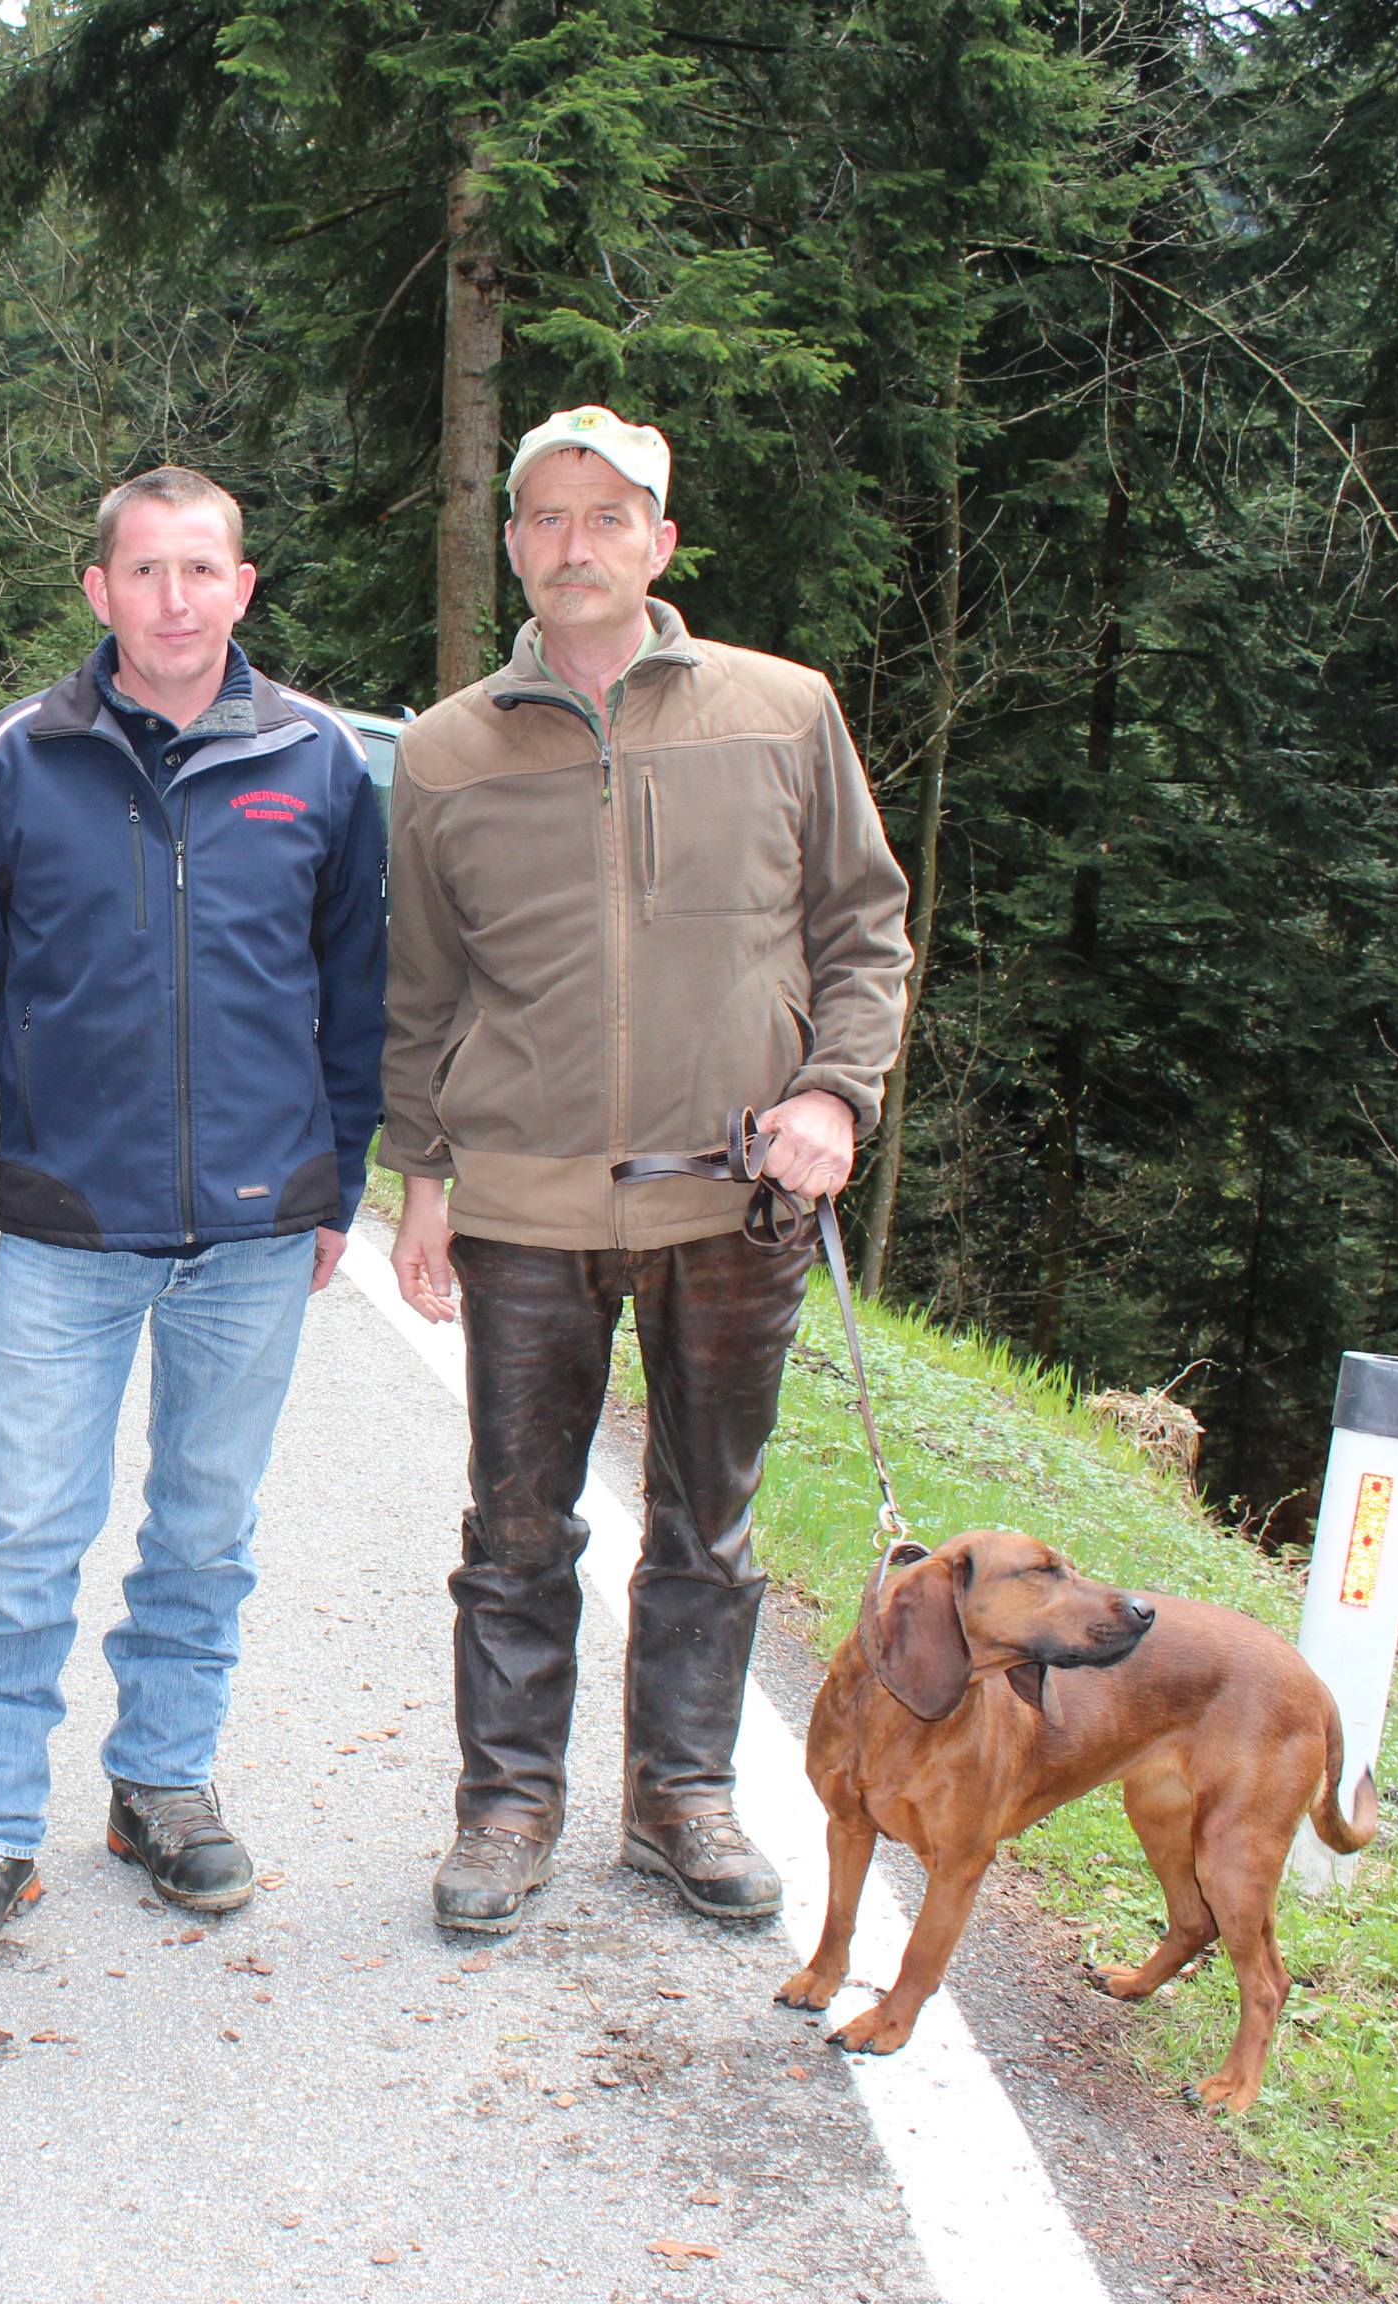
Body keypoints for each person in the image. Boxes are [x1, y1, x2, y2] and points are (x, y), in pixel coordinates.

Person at [382, 406, 912, 1934]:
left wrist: (835, 1096)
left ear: (660, 543)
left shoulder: (784, 712)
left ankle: (682, 1797)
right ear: (512, 546)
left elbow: (863, 928)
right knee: (516, 1527)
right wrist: (423, 1180)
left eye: (608, 517)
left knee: (708, 1522)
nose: (576, 544)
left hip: (736, 1199)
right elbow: (420, 988)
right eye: (548, 518)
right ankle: (506, 1807)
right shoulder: (445, 751)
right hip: (526, 1209)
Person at [0, 467, 387, 1974]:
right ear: (99, 589)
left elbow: (355, 997)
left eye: (203, 569)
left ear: (243, 586)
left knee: (204, 1534)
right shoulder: (11, 763)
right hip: (61, 1225)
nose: (177, 598)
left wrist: (337, 1181)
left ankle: (162, 1784)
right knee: (24, 1540)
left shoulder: (319, 761)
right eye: (147, 570)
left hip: (255, 1233)